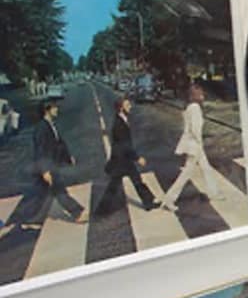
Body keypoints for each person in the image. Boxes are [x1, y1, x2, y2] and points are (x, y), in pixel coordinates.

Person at [0, 99, 88, 238]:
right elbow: (40, 151)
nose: (57, 109)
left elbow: (59, 143)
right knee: (59, 190)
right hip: (47, 165)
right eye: (54, 108)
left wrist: (68, 157)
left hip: (50, 164)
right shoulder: (41, 128)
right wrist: (45, 170)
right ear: (47, 110)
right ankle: (77, 212)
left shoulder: (50, 125)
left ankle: (28, 220)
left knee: (38, 195)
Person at [156, 84, 222, 212]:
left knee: (206, 168)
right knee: (186, 174)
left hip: (193, 144)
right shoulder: (195, 108)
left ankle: (214, 192)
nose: (203, 95)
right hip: (195, 145)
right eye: (200, 93)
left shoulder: (189, 107)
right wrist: (200, 142)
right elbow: (195, 129)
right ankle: (169, 199)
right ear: (195, 96)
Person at [97, 97, 157, 213]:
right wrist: (137, 158)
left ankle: (148, 202)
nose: (130, 106)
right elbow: (125, 146)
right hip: (121, 160)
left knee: (136, 180)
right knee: (114, 186)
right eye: (127, 105)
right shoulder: (119, 124)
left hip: (124, 159)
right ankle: (101, 210)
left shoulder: (122, 119)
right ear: (120, 108)